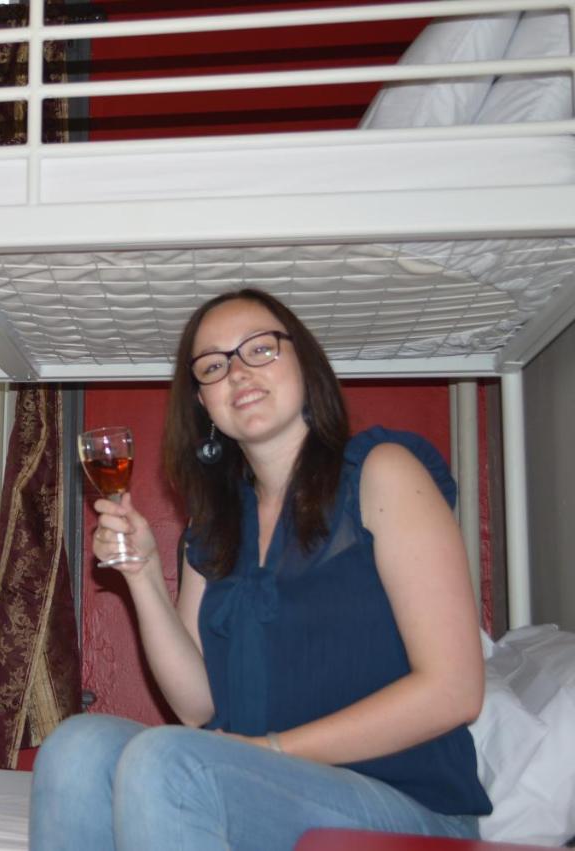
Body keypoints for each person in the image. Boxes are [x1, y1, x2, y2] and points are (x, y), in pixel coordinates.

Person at [30, 288, 490, 850]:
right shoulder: (216, 523)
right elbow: (198, 707)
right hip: (262, 785)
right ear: (204, 404)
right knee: (76, 745)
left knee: (170, 760)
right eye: (214, 366)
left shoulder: (381, 472)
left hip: (405, 806)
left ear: (304, 362)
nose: (238, 373)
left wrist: (268, 750)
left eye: (260, 350)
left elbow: (454, 691)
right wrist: (142, 575)